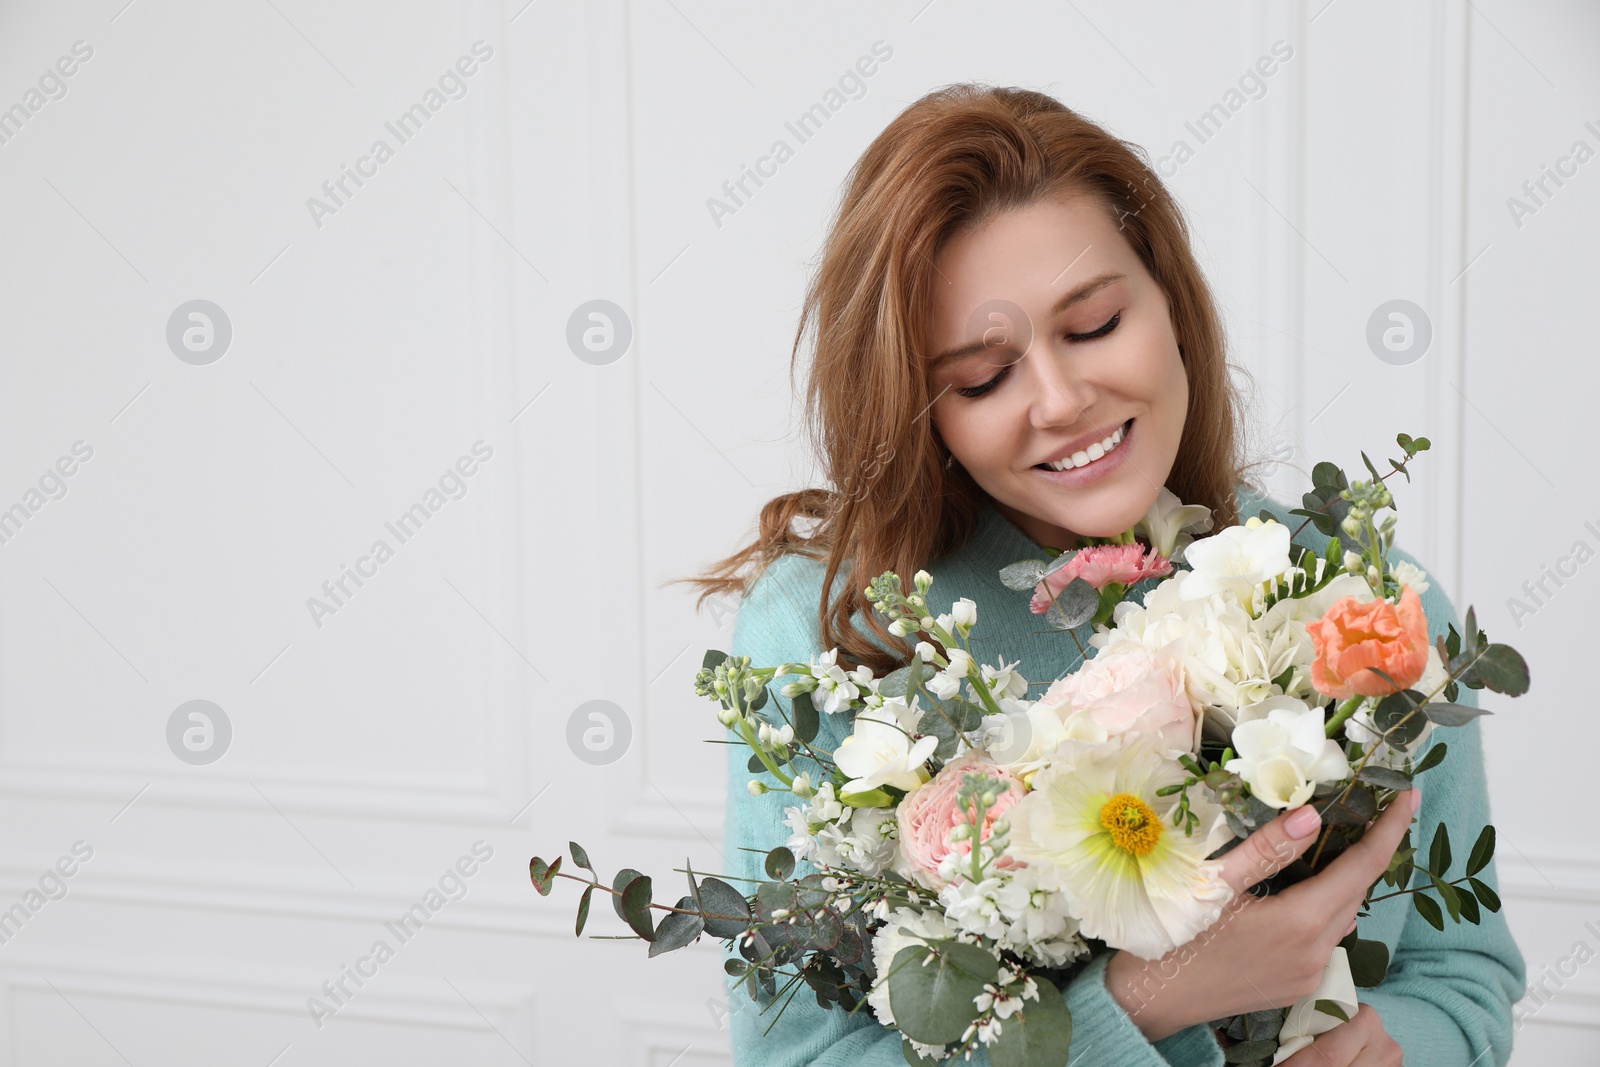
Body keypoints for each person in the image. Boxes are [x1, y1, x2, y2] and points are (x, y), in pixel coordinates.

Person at [673, 84, 1525, 1067]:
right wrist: (1139, 1003)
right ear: (921, 409)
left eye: (1093, 324)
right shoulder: (829, 630)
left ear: (1170, 304)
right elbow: (799, 1055)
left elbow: (1458, 979)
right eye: (981, 377)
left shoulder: (1358, 604)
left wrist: (1392, 1048)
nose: (1061, 399)